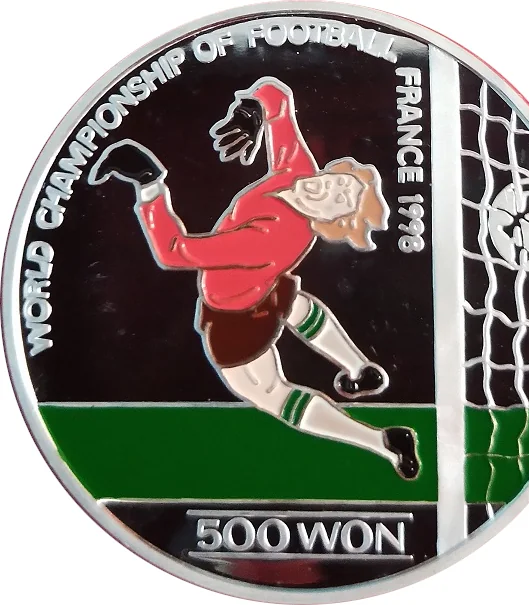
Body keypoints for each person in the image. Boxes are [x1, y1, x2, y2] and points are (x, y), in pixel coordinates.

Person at [88, 76, 419, 480]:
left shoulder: (269, 238)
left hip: (236, 314)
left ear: (331, 223)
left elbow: (174, 251)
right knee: (293, 304)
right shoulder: (296, 171)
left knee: (270, 394)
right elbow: (279, 100)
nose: (325, 187)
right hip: (264, 290)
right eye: (336, 181)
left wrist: (150, 186)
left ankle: (382, 441)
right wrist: (253, 110)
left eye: (338, 199)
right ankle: (359, 369)